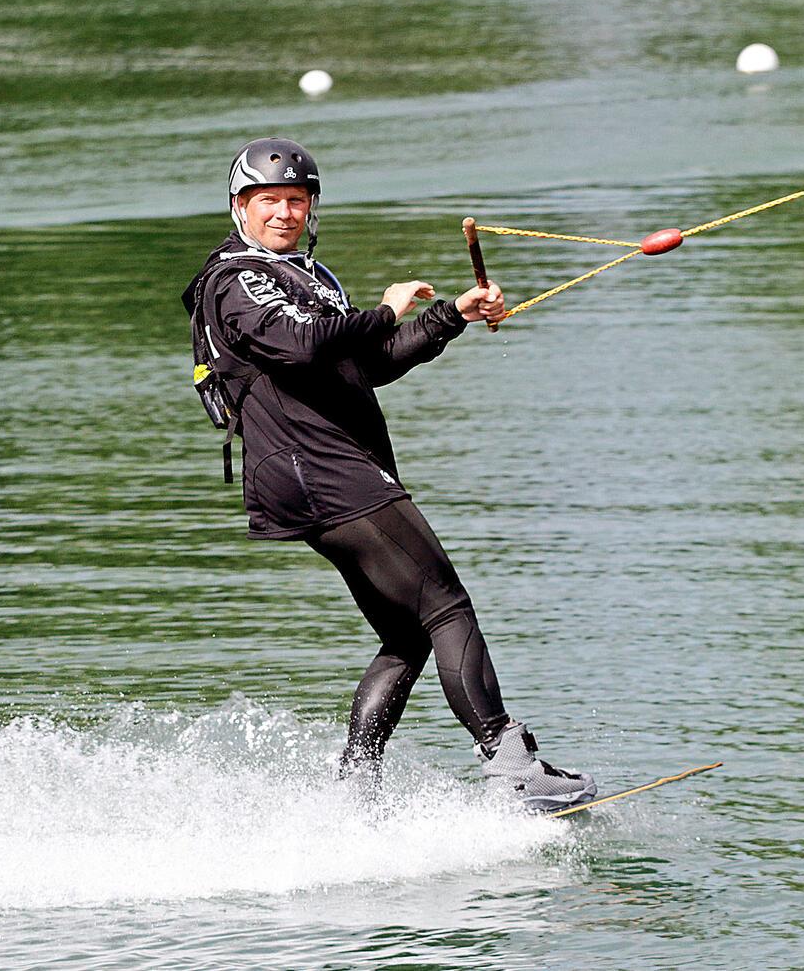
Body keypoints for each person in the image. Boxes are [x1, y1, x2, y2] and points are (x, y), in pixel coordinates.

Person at [183, 137, 595, 810]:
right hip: (322, 471)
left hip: (321, 473)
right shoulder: (236, 279)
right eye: (268, 202)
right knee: (447, 604)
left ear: (311, 207)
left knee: (407, 633)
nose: (283, 213)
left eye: (296, 200)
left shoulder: (306, 275)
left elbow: (365, 364)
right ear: (240, 207)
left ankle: (355, 789)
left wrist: (450, 316)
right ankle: (510, 762)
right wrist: (383, 308)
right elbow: (305, 340)